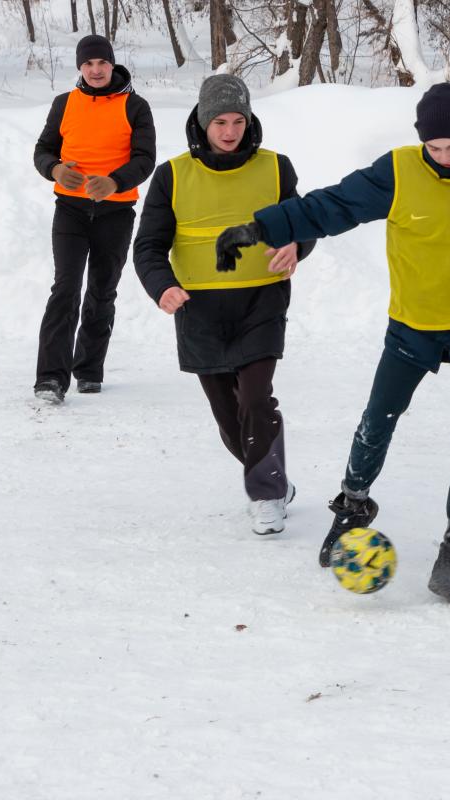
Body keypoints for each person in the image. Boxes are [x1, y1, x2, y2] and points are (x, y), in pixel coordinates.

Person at [214, 83, 450, 606]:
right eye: (433, 148)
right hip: (413, 326)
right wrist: (260, 227)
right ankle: (352, 506)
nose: (444, 158)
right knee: (378, 419)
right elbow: (334, 206)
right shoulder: (399, 170)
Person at [133, 75, 315, 535]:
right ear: (202, 121)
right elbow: (148, 247)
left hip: (261, 299)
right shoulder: (172, 175)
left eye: (238, 120)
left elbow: (304, 222)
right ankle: (274, 477)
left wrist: (297, 243)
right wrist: (162, 288)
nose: (230, 131)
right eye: (220, 121)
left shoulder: (277, 167)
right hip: (199, 308)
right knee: (228, 416)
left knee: (256, 398)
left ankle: (267, 495)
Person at [32, 35, 155, 404]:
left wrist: (115, 181)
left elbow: (145, 158)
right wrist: (54, 169)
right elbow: (42, 150)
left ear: (112, 64)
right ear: (80, 68)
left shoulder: (135, 106)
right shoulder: (64, 104)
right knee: (65, 288)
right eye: (88, 64)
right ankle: (51, 379)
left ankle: (88, 370)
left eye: (102, 63)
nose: (96, 70)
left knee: (102, 290)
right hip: (69, 210)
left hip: (115, 213)